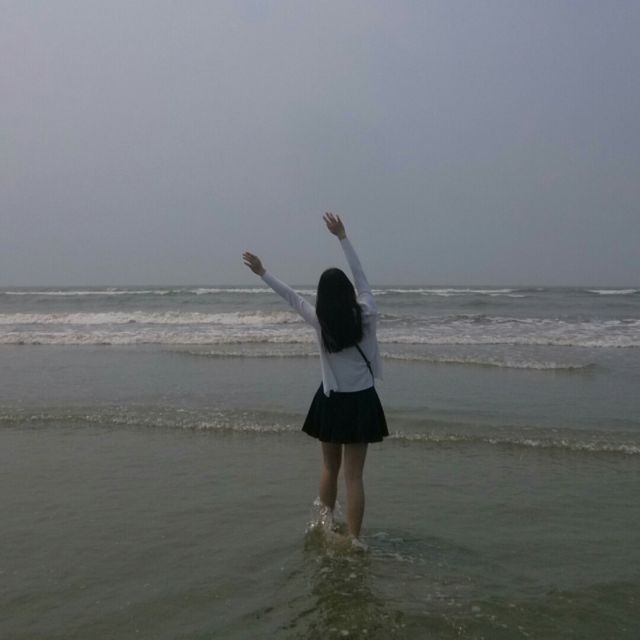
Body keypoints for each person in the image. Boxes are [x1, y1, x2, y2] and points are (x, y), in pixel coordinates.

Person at [242, 213, 388, 543]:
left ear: (323, 297)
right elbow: (362, 278)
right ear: (349, 293)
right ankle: (354, 540)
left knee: (329, 469)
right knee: (355, 477)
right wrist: (342, 237)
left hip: (332, 401)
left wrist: (263, 272)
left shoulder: (320, 322)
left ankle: (325, 528)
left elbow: (292, 297)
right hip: (362, 401)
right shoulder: (368, 313)